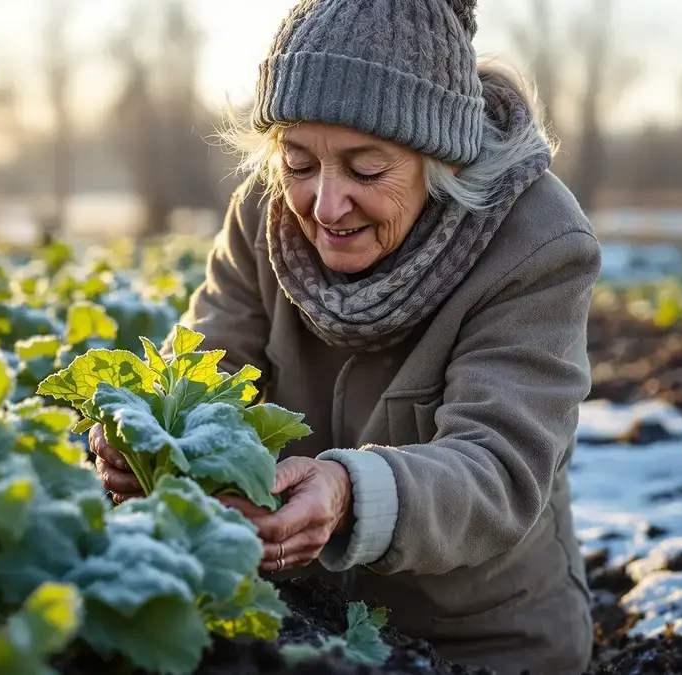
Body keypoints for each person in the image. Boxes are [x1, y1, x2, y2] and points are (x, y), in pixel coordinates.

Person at [87, 0, 600, 672]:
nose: (326, 206)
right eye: (299, 162)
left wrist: (349, 491)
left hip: (480, 638)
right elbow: (201, 370)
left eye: (365, 169)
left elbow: (499, 469)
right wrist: (149, 436)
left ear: (440, 161)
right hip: (302, 620)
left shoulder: (537, 243)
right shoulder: (262, 216)